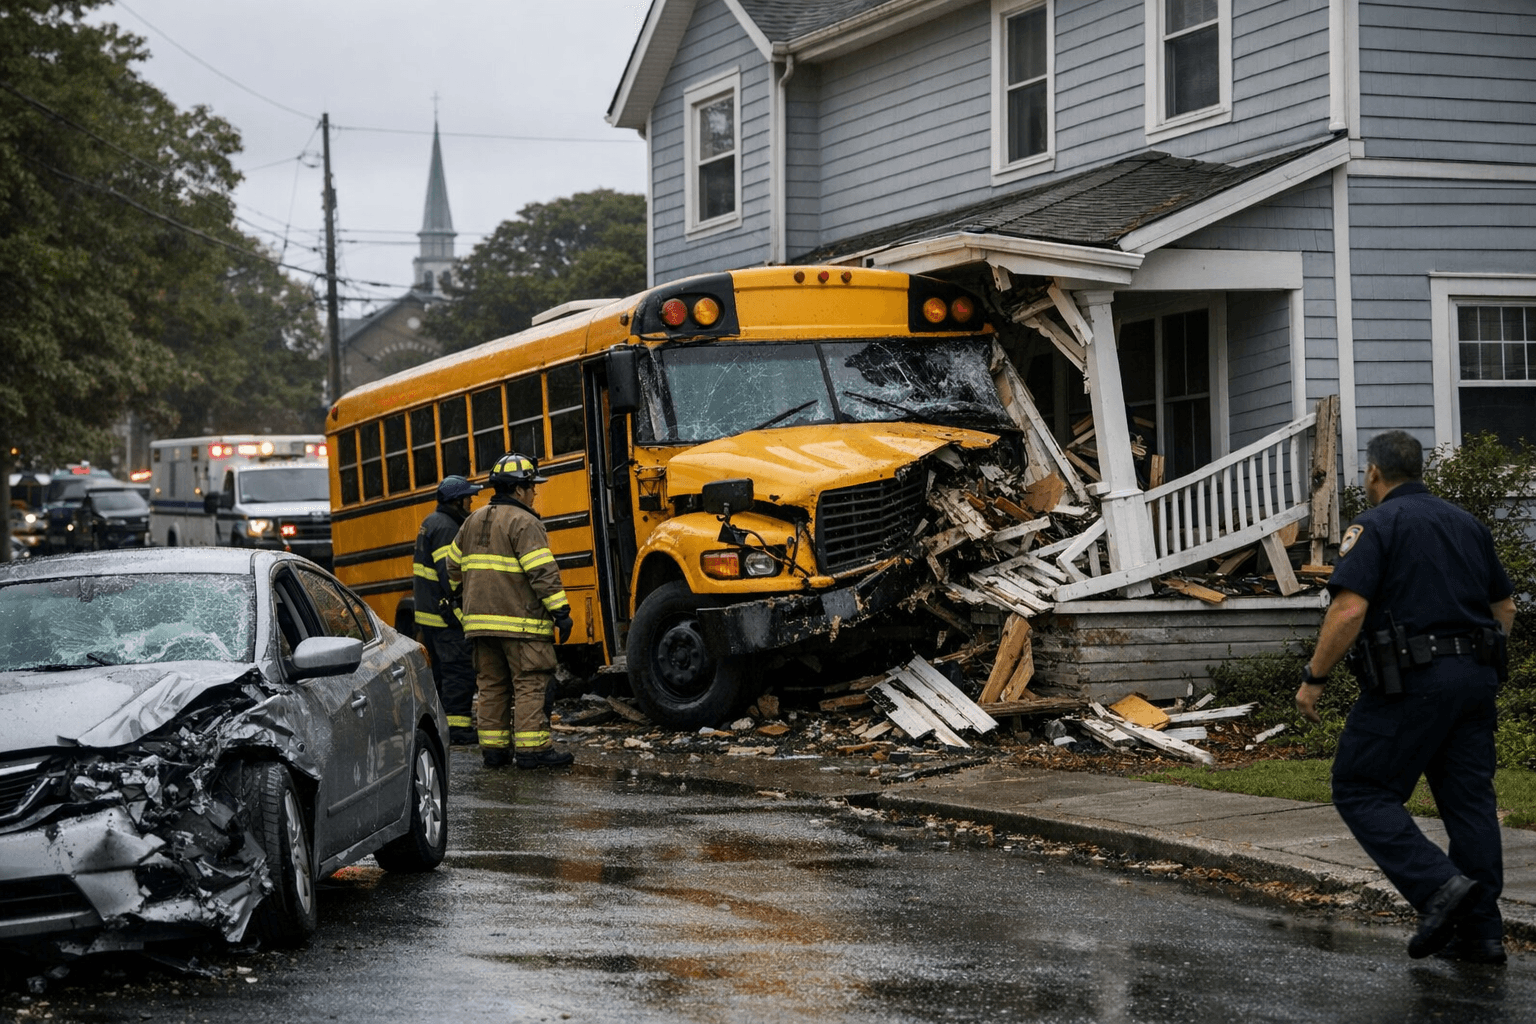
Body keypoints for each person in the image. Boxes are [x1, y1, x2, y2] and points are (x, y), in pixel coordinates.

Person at [1297, 430, 1516, 965]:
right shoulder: (1468, 524)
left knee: (1360, 787)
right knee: (1469, 805)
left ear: (1374, 474)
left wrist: (1315, 677)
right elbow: (1505, 608)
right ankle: (1481, 935)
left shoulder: (1374, 526)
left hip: (1411, 681)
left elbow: (1349, 611)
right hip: (1474, 681)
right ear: (1419, 470)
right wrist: (1473, 666)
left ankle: (1439, 888)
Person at [447, 452, 575, 770]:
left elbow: (451, 566)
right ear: (519, 489)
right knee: (530, 682)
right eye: (532, 486)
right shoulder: (525, 521)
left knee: (491, 685)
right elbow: (542, 572)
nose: (534, 493)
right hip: (521, 624)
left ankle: (494, 752)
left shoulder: (472, 520)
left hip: (479, 624)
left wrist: (464, 602)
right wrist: (561, 612)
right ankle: (533, 751)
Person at [412, 474, 483, 746]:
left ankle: (445, 726)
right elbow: (450, 576)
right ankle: (458, 728)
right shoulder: (445, 528)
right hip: (446, 619)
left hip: (431, 618)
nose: (471, 502)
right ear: (456, 501)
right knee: (458, 673)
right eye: (468, 497)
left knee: (441, 675)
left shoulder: (431, 522)